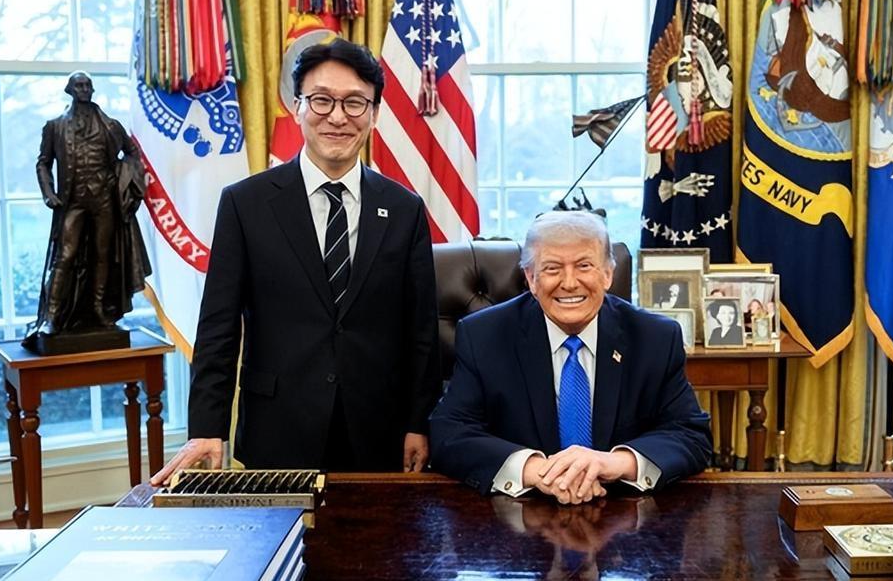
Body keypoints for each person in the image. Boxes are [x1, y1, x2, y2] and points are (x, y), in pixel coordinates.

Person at [152, 39, 441, 483]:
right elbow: (218, 327)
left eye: (355, 103)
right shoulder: (245, 204)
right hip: (278, 426)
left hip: (379, 430)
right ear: (297, 106)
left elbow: (421, 331)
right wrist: (207, 428)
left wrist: (419, 422)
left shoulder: (405, 209)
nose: (338, 117)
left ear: (375, 113)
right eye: (322, 100)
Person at [429, 211, 712, 504]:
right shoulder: (484, 336)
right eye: (552, 268)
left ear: (608, 274)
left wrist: (614, 463)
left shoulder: (655, 337)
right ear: (531, 278)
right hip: (519, 510)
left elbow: (690, 435)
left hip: (622, 510)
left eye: (584, 266)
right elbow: (450, 433)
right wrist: (535, 470)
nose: (569, 283)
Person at [33, 72, 150, 335]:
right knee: (65, 255)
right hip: (72, 200)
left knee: (103, 254)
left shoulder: (111, 126)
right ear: (70, 90)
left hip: (104, 199)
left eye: (87, 85)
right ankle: (52, 315)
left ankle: (99, 308)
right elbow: (43, 162)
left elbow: (132, 153)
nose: (84, 89)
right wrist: (48, 193)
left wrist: (124, 179)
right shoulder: (55, 126)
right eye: (79, 86)